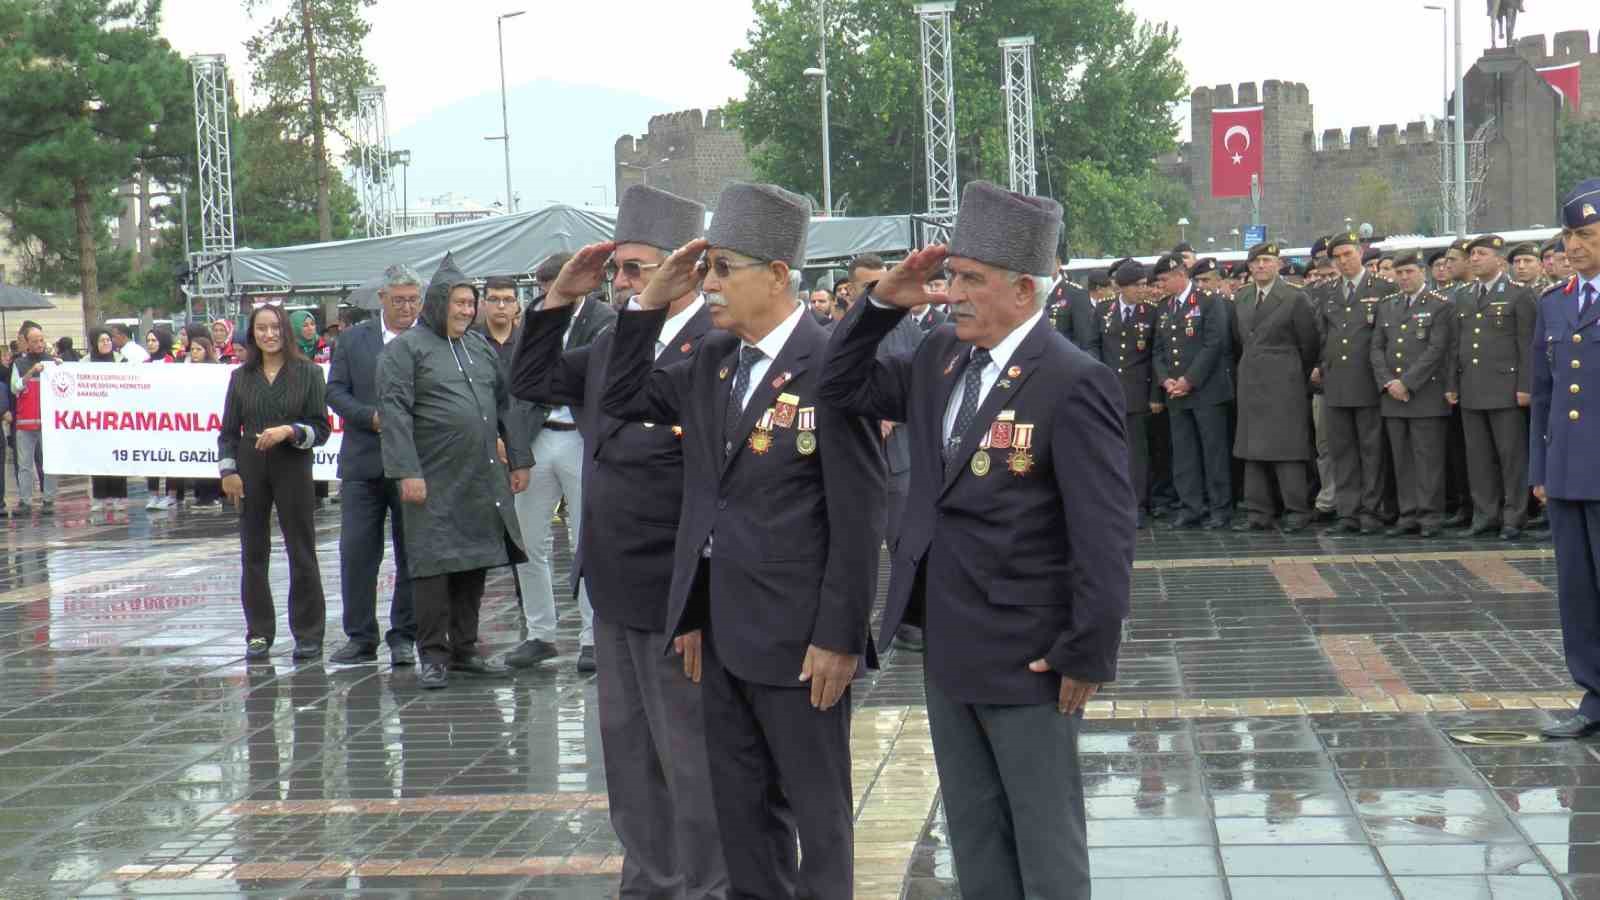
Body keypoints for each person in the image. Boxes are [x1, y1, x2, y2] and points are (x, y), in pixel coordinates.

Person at [820, 180, 1135, 900]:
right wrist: (878, 307)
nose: (952, 293)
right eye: (950, 276)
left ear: (1025, 291)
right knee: (975, 833)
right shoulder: (940, 357)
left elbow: (1106, 530)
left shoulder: (1072, 381)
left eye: (970, 280)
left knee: (1044, 840)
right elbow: (839, 386)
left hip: (1029, 649)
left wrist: (1087, 648)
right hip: (947, 640)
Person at [583, 182, 883, 900]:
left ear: (778, 275)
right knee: (743, 817)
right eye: (705, 269)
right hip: (720, 637)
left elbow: (858, 514)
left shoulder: (829, 366)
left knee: (818, 817)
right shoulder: (716, 362)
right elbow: (622, 395)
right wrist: (649, 297)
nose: (710, 285)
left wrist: (840, 637)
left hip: (802, 643)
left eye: (724, 269)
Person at [512, 183, 727, 898]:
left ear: (687, 269)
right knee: (630, 760)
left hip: (676, 588)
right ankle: (649, 882)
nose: (625, 282)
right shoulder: (609, 341)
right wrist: (558, 302)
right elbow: (533, 378)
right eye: (621, 270)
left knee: (690, 762)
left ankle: (704, 884)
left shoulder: (717, 346)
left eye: (639, 268)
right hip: (611, 583)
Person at [378, 252, 532, 689]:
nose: (466, 310)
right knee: (432, 567)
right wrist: (406, 472)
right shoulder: (406, 350)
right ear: (438, 303)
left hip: (480, 476)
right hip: (431, 478)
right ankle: (433, 655)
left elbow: (505, 404)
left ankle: (465, 648)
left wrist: (519, 459)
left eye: (470, 303)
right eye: (458, 303)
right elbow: (395, 413)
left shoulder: (479, 347)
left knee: (475, 561)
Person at [503, 253, 615, 673]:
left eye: (550, 287)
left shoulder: (604, 319)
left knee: (586, 541)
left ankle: (591, 636)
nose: (545, 296)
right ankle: (539, 634)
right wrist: (517, 451)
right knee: (528, 541)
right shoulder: (537, 318)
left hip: (582, 437)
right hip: (538, 434)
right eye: (541, 289)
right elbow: (518, 384)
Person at [218, 304, 332, 661]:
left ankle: (308, 633)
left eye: (275, 328)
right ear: (252, 334)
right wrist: (229, 472)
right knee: (253, 551)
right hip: (251, 468)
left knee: (301, 549)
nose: (269, 335)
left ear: (286, 331)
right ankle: (259, 632)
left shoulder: (309, 374)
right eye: (261, 329)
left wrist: (291, 431)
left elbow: (322, 430)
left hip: (292, 464)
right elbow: (227, 433)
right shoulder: (241, 377)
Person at [327, 264, 422, 668]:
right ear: (381, 299)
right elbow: (335, 391)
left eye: (413, 300)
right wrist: (370, 417)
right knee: (357, 553)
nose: (406, 307)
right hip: (363, 462)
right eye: (398, 299)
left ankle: (403, 635)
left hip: (412, 464)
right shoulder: (353, 341)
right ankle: (360, 636)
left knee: (412, 553)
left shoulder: (428, 340)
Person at [1532, 179, 1600, 739]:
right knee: (1577, 590)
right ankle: (1593, 697)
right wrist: (1539, 471)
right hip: (1568, 475)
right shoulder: (1554, 303)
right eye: (1569, 236)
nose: (1573, 246)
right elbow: (1545, 396)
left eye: (1585, 235)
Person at [1452, 234, 1536, 540]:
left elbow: (1527, 346)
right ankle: (1484, 514)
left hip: (1506, 388)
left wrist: (1525, 386)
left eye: (1481, 253)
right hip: (1472, 387)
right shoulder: (1463, 295)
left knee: (1511, 457)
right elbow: (1456, 345)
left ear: (1499, 260)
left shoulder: (1518, 295)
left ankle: (1514, 516)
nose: (1474, 258)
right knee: (1478, 457)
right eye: (1472, 254)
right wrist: (1453, 384)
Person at [1231, 242, 1319, 532]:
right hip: (1251, 382)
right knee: (1251, 450)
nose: (1261, 266)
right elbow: (1238, 340)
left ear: (1278, 264)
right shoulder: (1242, 297)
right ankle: (1259, 512)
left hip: (1285, 382)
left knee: (1288, 450)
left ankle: (1296, 510)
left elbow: (1309, 343)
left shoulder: (1295, 297)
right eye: (1255, 262)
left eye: (1267, 260)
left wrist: (1294, 372)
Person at [1370, 251, 1453, 538]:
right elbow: (1376, 347)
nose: (1403, 278)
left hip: (1425, 394)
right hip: (1392, 395)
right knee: (1402, 459)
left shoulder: (1440, 305)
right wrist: (1388, 382)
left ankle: (1430, 517)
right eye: (1399, 272)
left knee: (1427, 459)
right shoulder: (1387, 305)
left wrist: (1407, 382)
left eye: (1409, 272)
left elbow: (1436, 350)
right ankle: (1408, 514)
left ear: (1422, 272)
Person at [1317, 231, 1391, 535]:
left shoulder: (1383, 288)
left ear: (1361, 252)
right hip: (1336, 382)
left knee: (1372, 451)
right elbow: (1322, 335)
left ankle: (1372, 511)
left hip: (1368, 380)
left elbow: (1386, 336)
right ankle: (1348, 512)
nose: (1343, 261)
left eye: (1348, 254)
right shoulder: (1327, 291)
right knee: (1342, 450)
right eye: (1337, 257)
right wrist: (1321, 367)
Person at [1152, 253, 1233, 529]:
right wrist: (1166, 381)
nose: (1160, 285)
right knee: (1184, 454)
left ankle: (1219, 508)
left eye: (1164, 279)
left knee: (1213, 453)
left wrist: (1189, 380)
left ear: (1179, 275)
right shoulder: (1164, 308)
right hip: (1175, 393)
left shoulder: (1209, 302)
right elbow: (1158, 351)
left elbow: (1214, 344)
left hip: (1206, 391)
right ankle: (1191, 507)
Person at [1097, 261, 1162, 528]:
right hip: (1107, 391)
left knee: (1136, 453)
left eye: (1144, 284)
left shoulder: (1151, 313)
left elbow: (1157, 354)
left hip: (1137, 391)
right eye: (1136, 285)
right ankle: (1111, 502)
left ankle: (1137, 505)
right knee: (1108, 450)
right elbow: (1092, 346)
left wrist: (1155, 394)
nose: (1142, 289)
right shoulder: (1103, 310)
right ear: (1121, 287)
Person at [10, 323, 56, 515]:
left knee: (50, 462)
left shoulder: (53, 363)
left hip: (48, 424)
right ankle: (25, 501)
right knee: (25, 465)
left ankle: (49, 499)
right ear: (27, 344)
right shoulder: (19, 364)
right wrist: (30, 373)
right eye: (35, 341)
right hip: (25, 423)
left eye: (41, 340)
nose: (40, 344)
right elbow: (15, 387)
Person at [86, 328, 130, 513]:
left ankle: (119, 496)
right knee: (98, 457)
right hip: (96, 418)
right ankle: (100, 497)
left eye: (108, 340)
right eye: (102, 340)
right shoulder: (86, 363)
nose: (106, 343)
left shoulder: (122, 361)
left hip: (117, 418)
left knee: (117, 457)